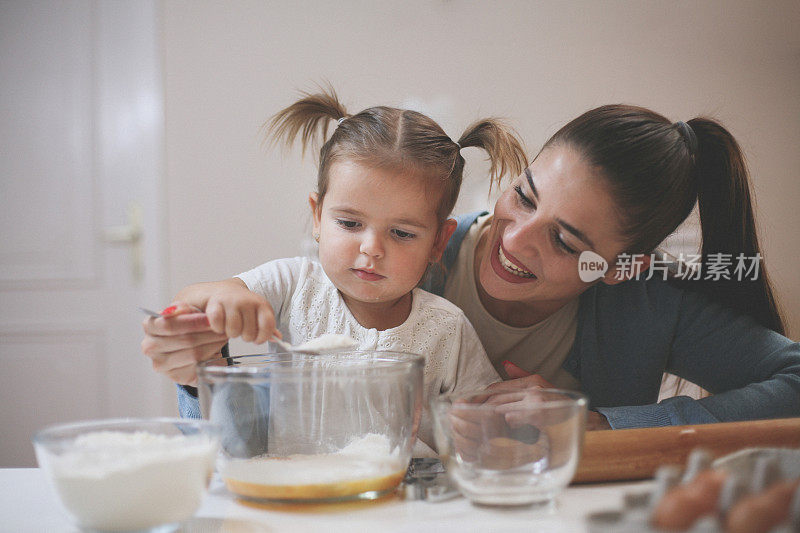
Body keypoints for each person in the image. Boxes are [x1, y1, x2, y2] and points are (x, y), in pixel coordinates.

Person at [143, 103, 800, 431]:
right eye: (524, 194)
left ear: (621, 265)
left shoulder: (649, 305)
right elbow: (261, 401)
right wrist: (202, 363)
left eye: (566, 241)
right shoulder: (398, 249)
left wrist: (597, 423)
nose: (515, 240)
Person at [142, 87, 529, 451]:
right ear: (317, 216)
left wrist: (471, 426)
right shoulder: (293, 284)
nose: (372, 249)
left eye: (401, 233)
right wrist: (226, 299)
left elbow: (485, 422)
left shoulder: (447, 327)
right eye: (349, 224)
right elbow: (192, 299)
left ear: (438, 243)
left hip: (404, 498)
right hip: (299, 490)